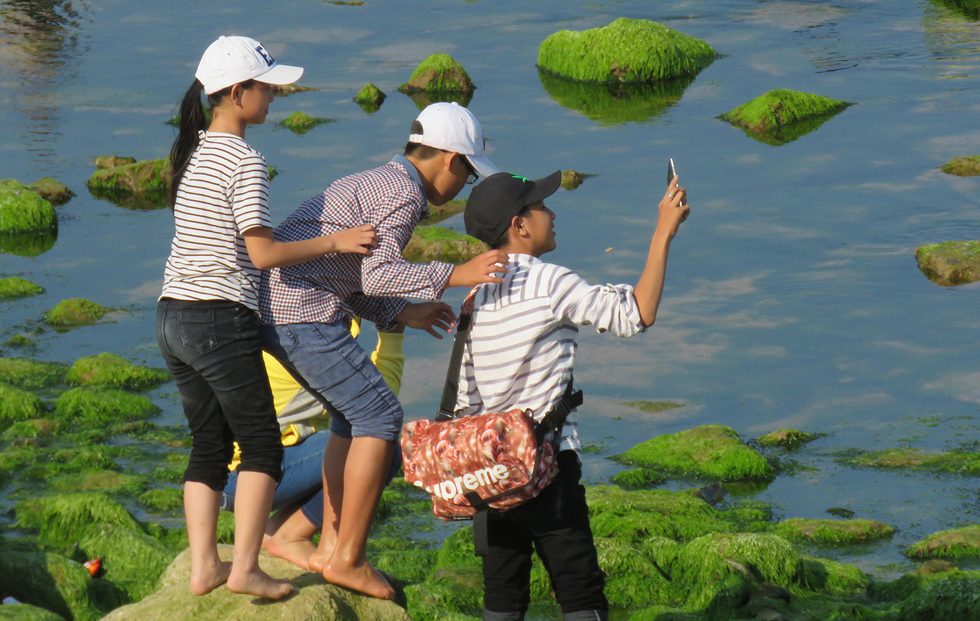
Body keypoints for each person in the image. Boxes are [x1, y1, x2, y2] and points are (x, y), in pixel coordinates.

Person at [258, 101, 510, 600]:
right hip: (300, 314)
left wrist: (400, 314)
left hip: (276, 305)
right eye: (468, 174)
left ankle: (332, 545)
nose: (463, 186)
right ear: (449, 160)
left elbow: (349, 276)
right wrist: (458, 275)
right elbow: (378, 272)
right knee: (380, 417)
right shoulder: (401, 194)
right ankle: (347, 559)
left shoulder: (375, 180)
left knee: (351, 418)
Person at [156, 35, 377, 599]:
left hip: (171, 316)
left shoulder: (193, 151)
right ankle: (246, 569)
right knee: (261, 446)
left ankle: (205, 564)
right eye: (267, 88)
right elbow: (262, 255)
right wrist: (336, 242)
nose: (274, 98)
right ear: (236, 93)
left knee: (207, 443)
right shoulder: (245, 159)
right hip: (218, 316)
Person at [457, 169, 690, 621]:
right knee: (580, 595)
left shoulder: (474, 298)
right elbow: (636, 314)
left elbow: (468, 402)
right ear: (518, 226)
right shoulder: (548, 281)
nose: (552, 211)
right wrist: (663, 233)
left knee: (502, 599)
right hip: (547, 468)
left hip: (491, 474)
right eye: (540, 205)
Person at [220, 322, 406, 570]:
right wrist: (392, 333)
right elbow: (378, 411)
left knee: (361, 442)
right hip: (246, 477)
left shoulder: (290, 326)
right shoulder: (310, 343)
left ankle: (279, 531)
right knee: (381, 448)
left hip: (241, 471)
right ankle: (291, 536)